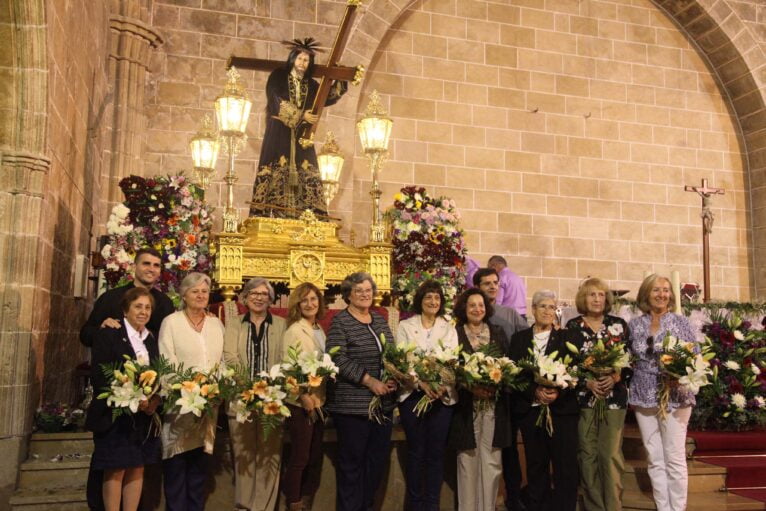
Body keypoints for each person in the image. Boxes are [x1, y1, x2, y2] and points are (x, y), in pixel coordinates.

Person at [80, 247, 174, 511]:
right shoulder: (111, 298)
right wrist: (101, 328)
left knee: (138, 467)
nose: (151, 269)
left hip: (146, 410)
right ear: (135, 266)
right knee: (111, 468)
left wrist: (153, 396)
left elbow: (164, 351)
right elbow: (85, 334)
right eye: (146, 263)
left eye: (157, 265)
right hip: (115, 407)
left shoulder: (164, 304)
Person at [249, 37, 348, 218]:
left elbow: (327, 97)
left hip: (302, 134)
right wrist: (301, 115)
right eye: (300, 59)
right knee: (276, 169)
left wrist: (340, 78)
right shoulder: (278, 76)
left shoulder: (311, 84)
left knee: (306, 171)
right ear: (293, 58)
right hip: (279, 130)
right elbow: (275, 98)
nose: (302, 63)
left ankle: (305, 216)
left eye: (306, 60)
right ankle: (272, 214)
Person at [85, 287, 162, 511]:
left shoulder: (150, 339)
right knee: (116, 468)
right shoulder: (109, 334)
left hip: (143, 418)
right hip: (114, 415)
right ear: (125, 309)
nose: (143, 312)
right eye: (138, 306)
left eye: (147, 308)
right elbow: (100, 374)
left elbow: (157, 374)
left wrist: (153, 398)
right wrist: (129, 397)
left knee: (137, 467)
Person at [325, 272, 396, 511]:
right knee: (351, 467)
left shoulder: (379, 320)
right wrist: (369, 381)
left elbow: (392, 353)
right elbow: (337, 358)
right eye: (359, 291)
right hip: (352, 407)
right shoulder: (340, 322)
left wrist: (392, 377)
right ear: (348, 295)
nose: (365, 294)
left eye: (368, 290)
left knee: (376, 465)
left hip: (382, 406)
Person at [628, 274, 698, 511]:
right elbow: (629, 359)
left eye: (666, 290)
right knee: (654, 457)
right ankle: (663, 507)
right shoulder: (635, 325)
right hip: (643, 392)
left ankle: (677, 508)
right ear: (646, 293)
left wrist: (679, 375)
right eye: (656, 290)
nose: (662, 294)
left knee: (675, 457)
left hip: (675, 395)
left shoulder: (681, 323)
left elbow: (694, 357)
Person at [509, 290, 581, 511]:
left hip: (561, 412)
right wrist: (534, 391)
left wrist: (558, 391)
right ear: (533, 310)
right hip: (531, 412)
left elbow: (576, 371)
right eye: (543, 306)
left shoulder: (567, 337)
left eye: (552, 307)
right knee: (536, 465)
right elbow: (514, 374)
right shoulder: (519, 339)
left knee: (565, 467)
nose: (548, 311)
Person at [159, 272, 225, 511]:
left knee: (199, 469)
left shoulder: (216, 324)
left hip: (208, 406)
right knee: (176, 467)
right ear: (184, 295)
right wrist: (184, 391)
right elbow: (167, 362)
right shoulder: (171, 322)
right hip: (179, 405)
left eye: (204, 291)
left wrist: (216, 389)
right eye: (194, 291)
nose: (200, 295)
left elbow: (222, 363)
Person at [565, 278, 631, 511]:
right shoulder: (572, 326)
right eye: (591, 294)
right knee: (587, 455)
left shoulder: (619, 325)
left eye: (601, 295)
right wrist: (587, 382)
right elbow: (567, 365)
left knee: (610, 455)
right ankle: (594, 507)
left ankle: (613, 507)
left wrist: (615, 376)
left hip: (614, 400)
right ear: (583, 298)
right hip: (585, 399)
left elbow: (630, 361)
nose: (596, 299)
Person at [222, 277, 287, 511]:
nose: (258, 297)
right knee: (244, 458)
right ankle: (244, 506)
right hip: (241, 399)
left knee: (269, 458)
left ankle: (264, 507)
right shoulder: (234, 324)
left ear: (270, 298)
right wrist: (249, 387)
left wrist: (268, 388)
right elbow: (229, 356)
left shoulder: (281, 324)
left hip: (272, 400)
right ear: (245, 297)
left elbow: (284, 358)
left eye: (263, 294)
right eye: (253, 293)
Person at [395, 280, 459, 511]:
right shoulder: (405, 325)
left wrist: (439, 385)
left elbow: (452, 360)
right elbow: (402, 358)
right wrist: (421, 382)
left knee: (435, 453)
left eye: (437, 298)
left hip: (441, 398)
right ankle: (415, 504)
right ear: (420, 301)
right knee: (416, 452)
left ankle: (432, 504)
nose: (433, 302)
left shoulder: (448, 328)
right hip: (413, 395)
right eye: (428, 297)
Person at [448, 288, 512, 511]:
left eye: (481, 305)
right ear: (464, 309)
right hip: (466, 407)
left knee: (492, 462)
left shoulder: (498, 332)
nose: (477, 309)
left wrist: (495, 384)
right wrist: (469, 385)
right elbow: (450, 368)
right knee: (467, 460)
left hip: (494, 406)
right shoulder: (454, 333)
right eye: (472, 305)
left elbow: (507, 366)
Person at [472, 267, 527, 511]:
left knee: (508, 449)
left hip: (507, 392)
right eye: (487, 283)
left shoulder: (511, 314)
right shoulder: (473, 314)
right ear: (477, 287)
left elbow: (524, 345)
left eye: (495, 283)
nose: (493, 287)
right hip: (478, 392)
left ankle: (512, 497)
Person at [281, 282, 327, 511]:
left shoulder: (318, 329)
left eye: (313, 299)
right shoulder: (294, 330)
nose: (310, 304)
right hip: (302, 403)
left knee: (314, 456)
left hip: (319, 401)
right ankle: (294, 502)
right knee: (300, 457)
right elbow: (289, 368)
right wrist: (303, 395)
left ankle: (306, 501)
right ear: (298, 305)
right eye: (305, 300)